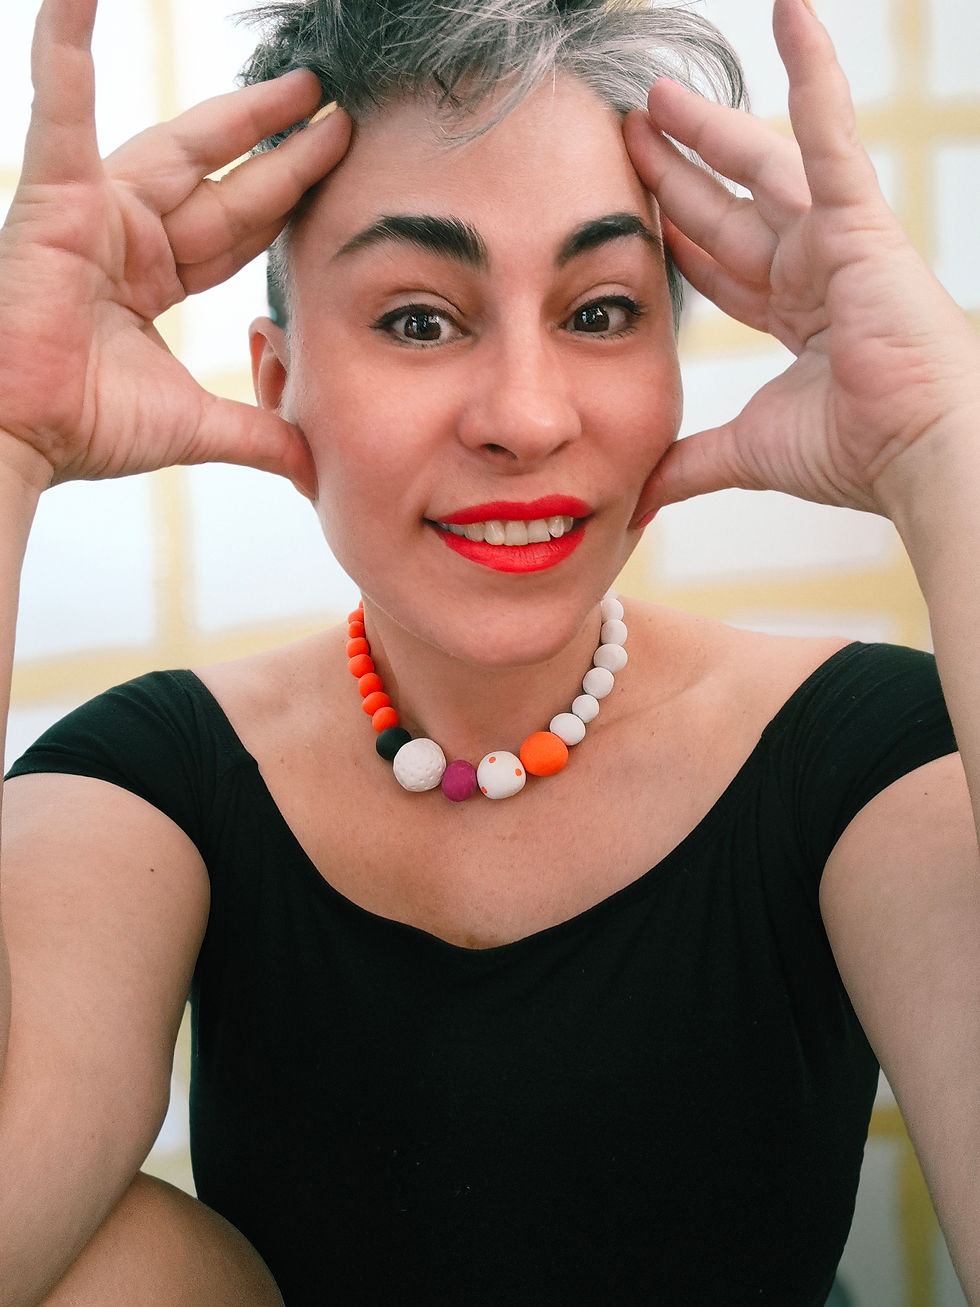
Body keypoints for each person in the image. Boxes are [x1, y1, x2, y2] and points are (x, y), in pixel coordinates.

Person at [1, 0, 978, 1303]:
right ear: (278, 381)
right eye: (419, 319)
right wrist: (5, 433)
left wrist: (943, 442)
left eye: (602, 311)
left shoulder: (868, 752)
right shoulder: (147, 776)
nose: (526, 417)